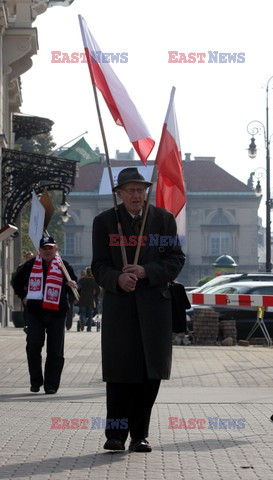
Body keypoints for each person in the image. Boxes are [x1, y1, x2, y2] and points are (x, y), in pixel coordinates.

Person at [91, 167, 185, 452]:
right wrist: (117, 278)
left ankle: (139, 435)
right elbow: (98, 266)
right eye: (130, 190)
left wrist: (146, 271)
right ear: (118, 193)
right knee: (120, 374)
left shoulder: (163, 221)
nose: (136, 195)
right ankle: (115, 435)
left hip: (155, 308)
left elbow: (176, 260)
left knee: (149, 374)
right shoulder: (106, 222)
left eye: (140, 190)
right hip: (120, 308)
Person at [12, 236, 77, 394]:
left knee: (55, 350)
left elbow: (75, 289)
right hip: (36, 312)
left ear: (55, 249)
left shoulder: (64, 266)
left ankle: (51, 385)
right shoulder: (31, 265)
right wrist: (24, 296)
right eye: (45, 248)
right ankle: (36, 382)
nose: (48, 251)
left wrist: (73, 286)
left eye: (51, 248)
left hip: (57, 313)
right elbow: (16, 282)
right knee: (33, 347)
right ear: (40, 251)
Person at [78, 267, 100, 331]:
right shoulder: (94, 281)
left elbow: (78, 288)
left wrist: (78, 296)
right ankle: (89, 328)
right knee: (90, 314)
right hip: (91, 299)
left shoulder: (82, 280)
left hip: (82, 299)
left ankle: (83, 320)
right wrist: (95, 295)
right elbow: (98, 290)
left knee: (83, 312)